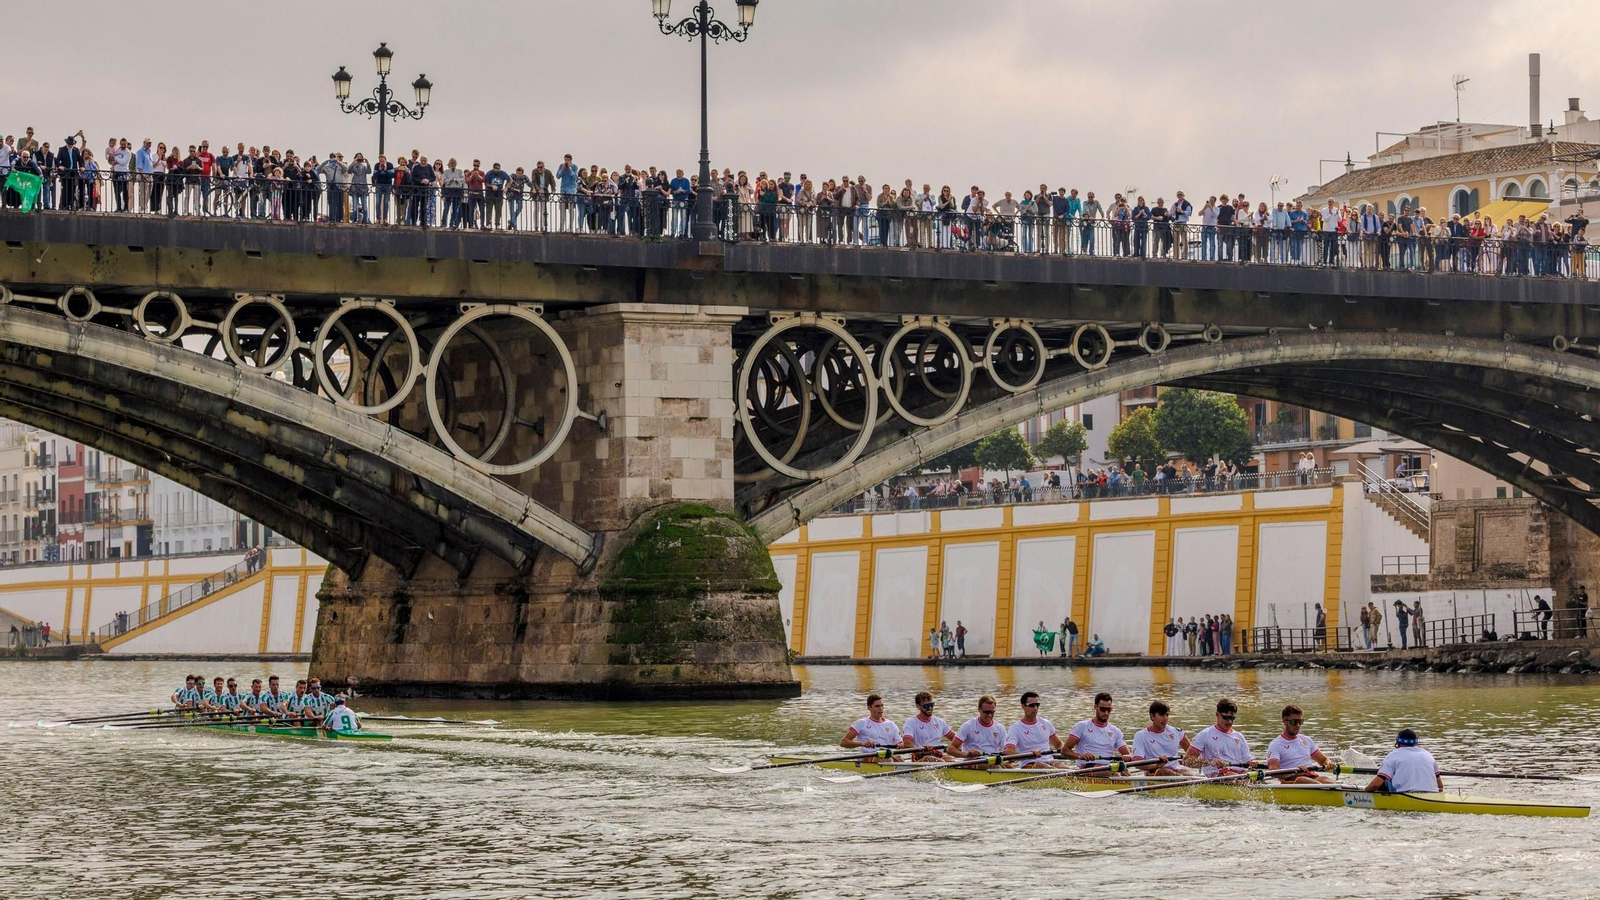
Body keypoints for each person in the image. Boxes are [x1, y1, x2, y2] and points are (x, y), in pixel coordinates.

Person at [1186, 698, 1255, 776]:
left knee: (1258, 778)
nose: (1229, 722)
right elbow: (1187, 761)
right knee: (1237, 777)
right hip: (1218, 775)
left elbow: (1248, 760)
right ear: (1217, 715)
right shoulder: (1205, 734)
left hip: (1238, 774)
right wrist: (1209, 762)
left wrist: (1252, 762)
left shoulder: (1239, 736)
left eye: (1232, 718)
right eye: (1225, 718)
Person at [1265, 704, 1333, 783]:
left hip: (1310, 776)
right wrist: (1294, 772)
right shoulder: (1276, 744)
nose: (1297, 725)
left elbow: (1323, 760)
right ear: (1284, 721)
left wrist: (1329, 764)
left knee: (1325, 779)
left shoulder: (1307, 740)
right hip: (1291, 780)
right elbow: (1273, 769)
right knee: (1301, 779)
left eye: (1300, 721)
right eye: (1294, 722)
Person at [1060, 692, 1130, 768]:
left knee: (1124, 772)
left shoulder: (1115, 731)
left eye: (1109, 709)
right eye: (1103, 709)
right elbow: (1064, 751)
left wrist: (1127, 757)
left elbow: (1127, 754)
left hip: (1109, 767)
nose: (1106, 713)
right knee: (1115, 773)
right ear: (1095, 707)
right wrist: (1080, 756)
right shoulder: (1082, 726)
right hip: (1087, 767)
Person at [1364, 729, 1443, 794]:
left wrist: (1364, 791)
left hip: (1406, 795)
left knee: (1384, 779)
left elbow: (1376, 784)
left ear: (1397, 743)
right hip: (1432, 795)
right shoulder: (1428, 755)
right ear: (1416, 742)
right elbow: (1440, 786)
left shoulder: (1393, 755)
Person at [1002, 691, 1067, 768]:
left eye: (1037, 705)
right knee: (1050, 769)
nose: (1035, 708)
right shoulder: (1016, 728)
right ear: (1023, 706)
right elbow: (1008, 751)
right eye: (1032, 705)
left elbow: (1059, 744)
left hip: (1050, 761)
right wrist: (1029, 755)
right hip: (1029, 764)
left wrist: (1063, 748)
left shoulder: (1046, 723)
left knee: (1065, 769)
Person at [1131, 700, 1193, 774]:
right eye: (1161, 715)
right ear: (1152, 716)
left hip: (1175, 770)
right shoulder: (1141, 736)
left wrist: (1204, 762)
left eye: (1167, 715)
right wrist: (1157, 765)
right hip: (1153, 772)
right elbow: (1137, 764)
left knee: (1186, 772)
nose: (1165, 718)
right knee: (1167, 772)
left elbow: (1192, 754)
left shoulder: (1176, 732)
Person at [949, 694, 1008, 763]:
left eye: (992, 712)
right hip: (973, 762)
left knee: (1009, 766)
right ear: (979, 710)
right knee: (997, 767)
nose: (989, 715)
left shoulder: (1000, 728)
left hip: (993, 761)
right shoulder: (968, 726)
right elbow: (950, 749)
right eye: (986, 712)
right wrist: (966, 755)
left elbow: (1006, 750)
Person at [900, 691, 954, 759]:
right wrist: (921, 751)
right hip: (920, 756)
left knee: (950, 759)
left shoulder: (940, 722)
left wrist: (950, 748)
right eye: (926, 706)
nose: (930, 708)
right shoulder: (911, 722)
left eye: (931, 705)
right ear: (918, 706)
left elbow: (955, 739)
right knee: (936, 760)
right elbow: (907, 742)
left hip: (938, 754)